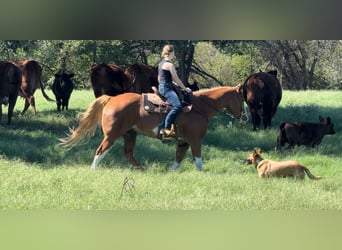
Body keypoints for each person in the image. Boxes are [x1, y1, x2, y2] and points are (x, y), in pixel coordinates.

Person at [158, 44, 190, 137]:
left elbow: (160, 79)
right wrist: (185, 88)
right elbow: (177, 79)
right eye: (174, 53)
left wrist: (172, 83)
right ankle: (165, 128)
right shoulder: (170, 65)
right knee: (178, 105)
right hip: (167, 89)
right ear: (171, 53)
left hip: (162, 86)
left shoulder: (161, 63)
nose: (174, 55)